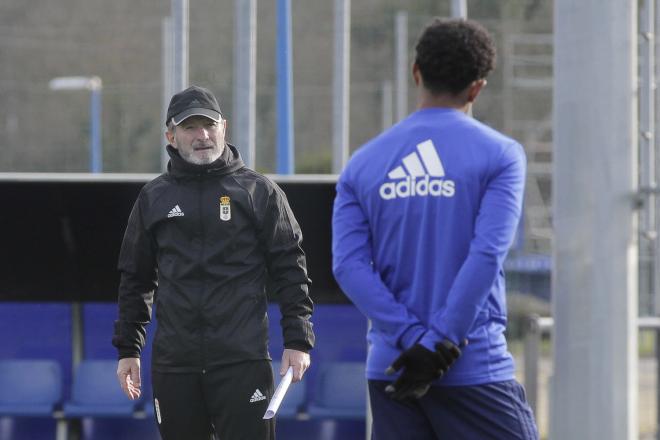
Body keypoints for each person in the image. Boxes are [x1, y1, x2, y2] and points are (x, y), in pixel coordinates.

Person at [332, 18, 538, 439]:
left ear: (415, 72)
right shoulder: (500, 155)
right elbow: (486, 254)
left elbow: (349, 266)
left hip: (395, 369)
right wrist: (439, 344)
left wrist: (410, 339)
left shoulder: (363, 163)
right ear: (477, 87)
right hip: (472, 367)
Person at [112, 85, 315, 440]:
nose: (202, 135)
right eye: (190, 127)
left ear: (224, 127)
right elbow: (136, 278)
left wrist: (298, 340)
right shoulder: (154, 197)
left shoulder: (259, 192)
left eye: (209, 125)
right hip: (176, 364)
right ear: (171, 136)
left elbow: (291, 268)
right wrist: (129, 349)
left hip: (242, 361)